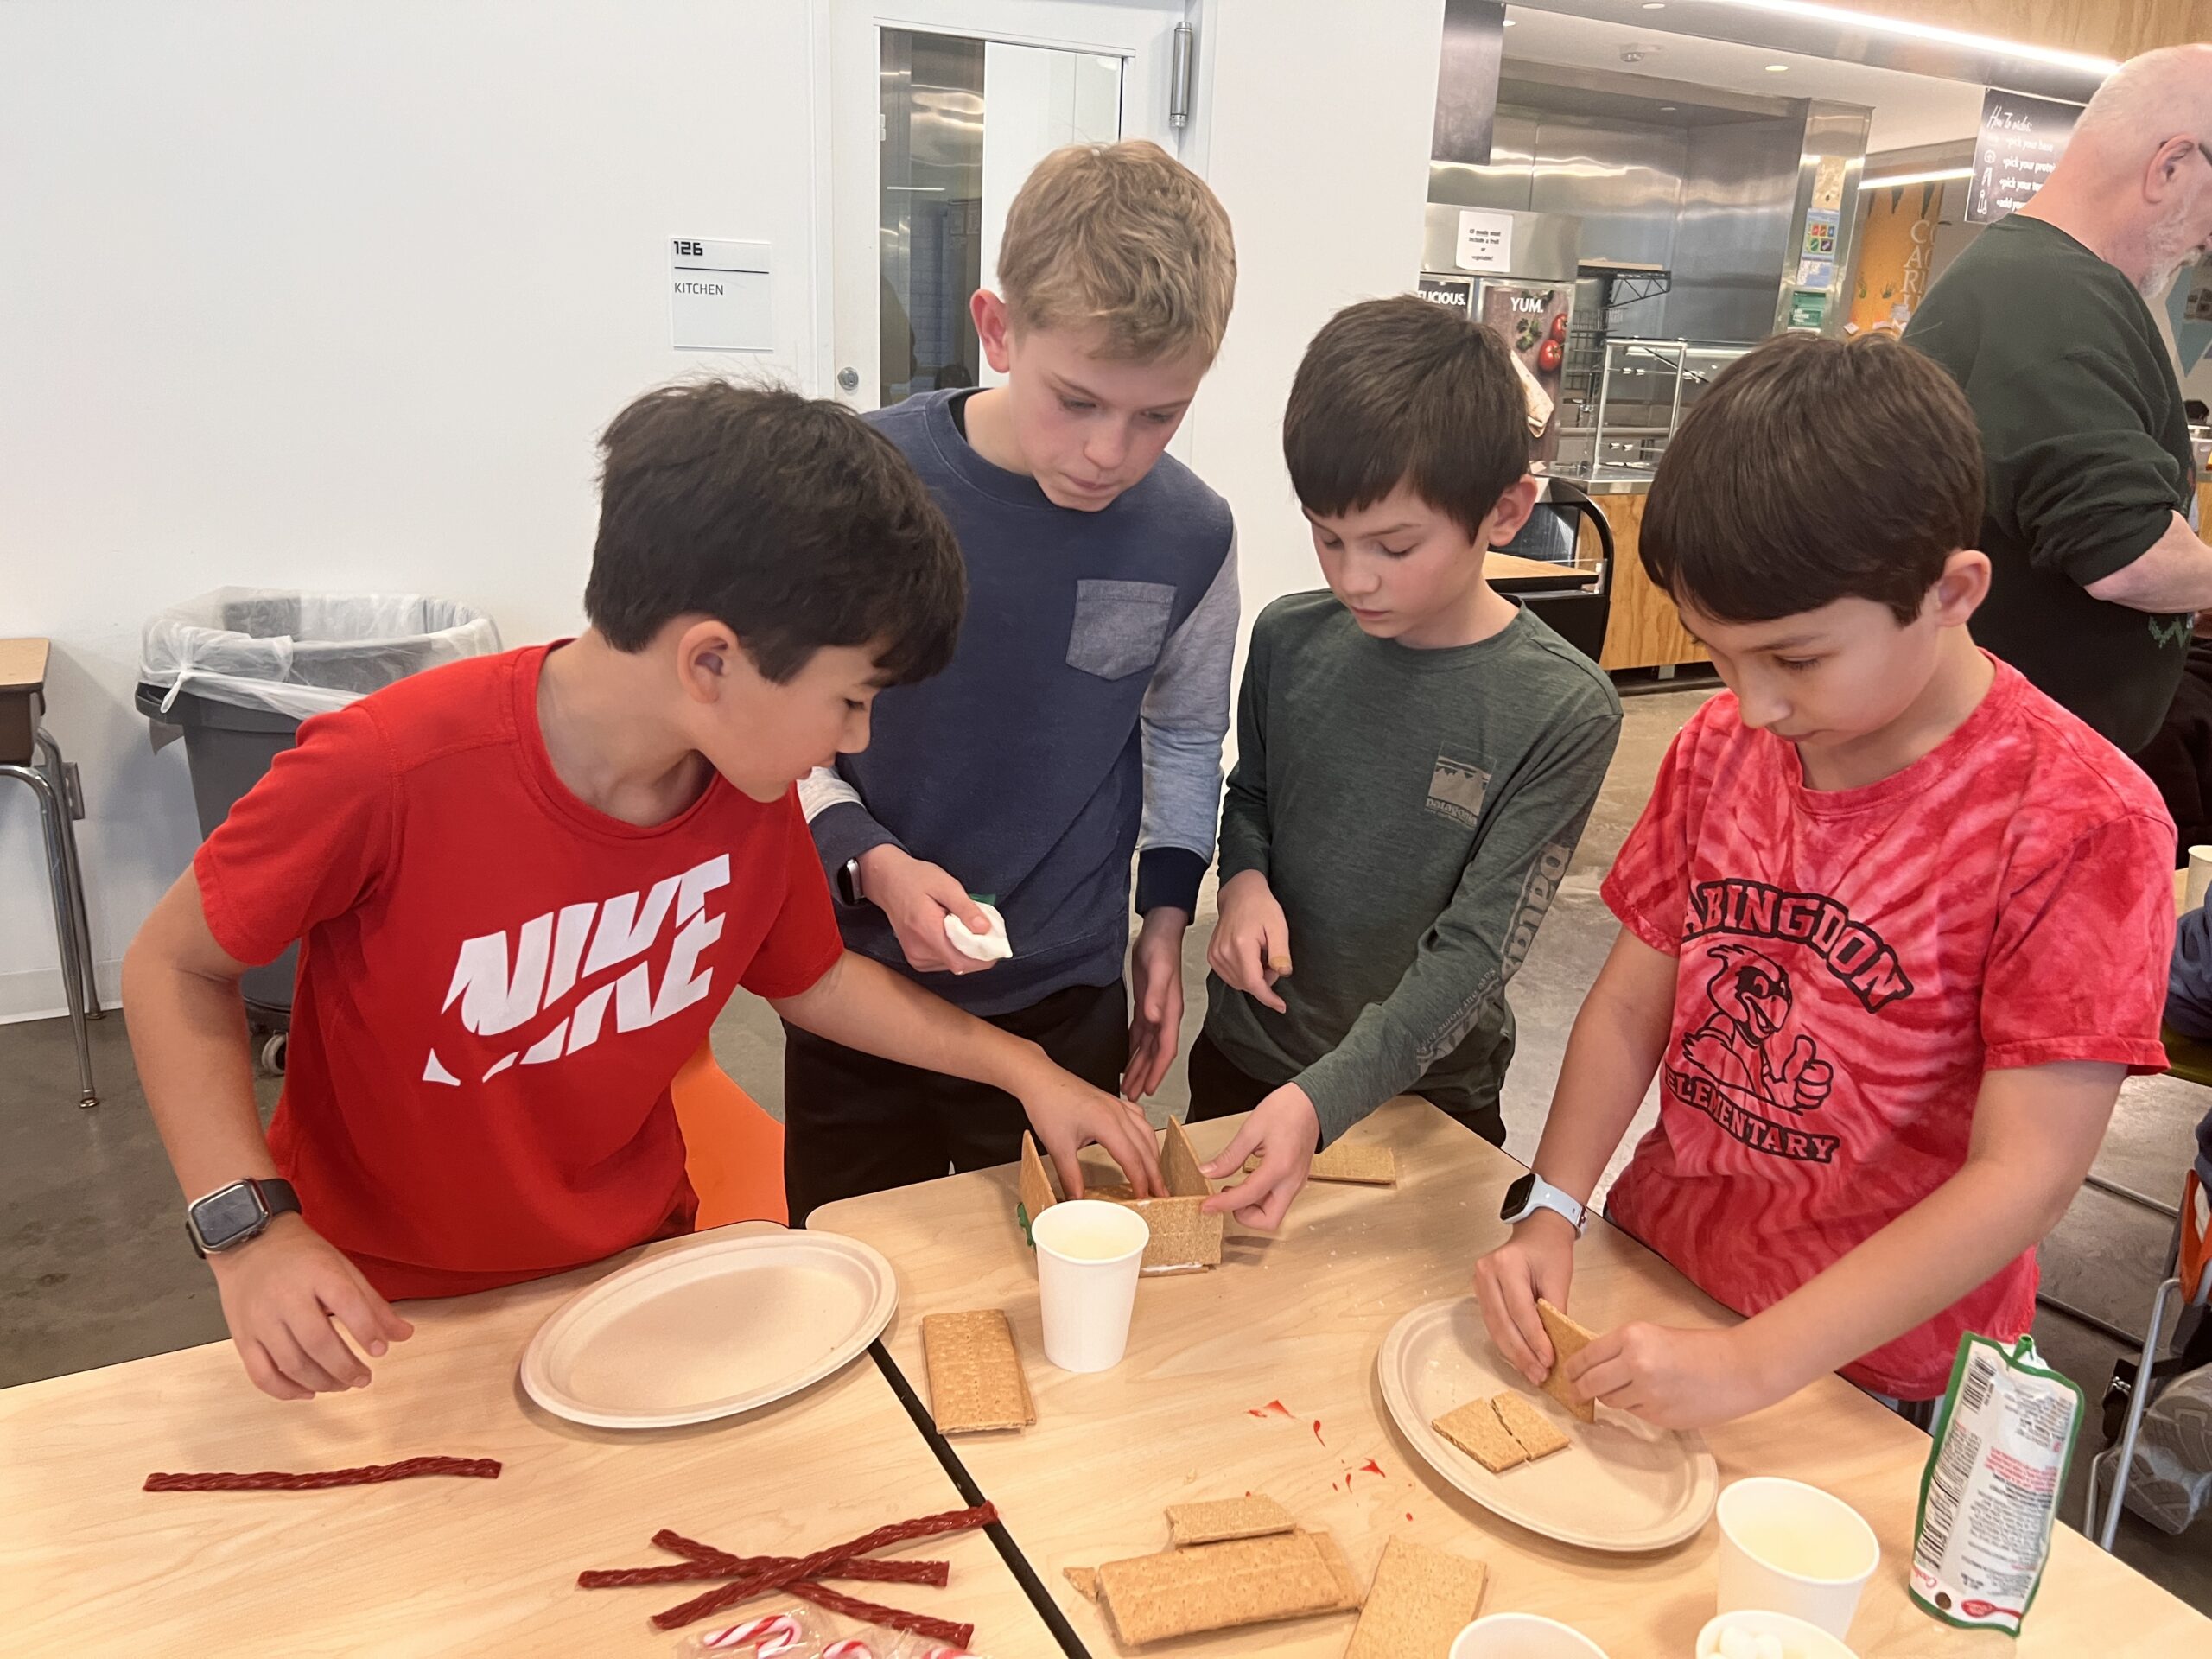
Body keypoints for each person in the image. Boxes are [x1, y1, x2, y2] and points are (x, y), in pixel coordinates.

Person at [122, 381, 1164, 1402]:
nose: (856, 740)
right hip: (381, 1315)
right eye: (849, 701)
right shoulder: (387, 770)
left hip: (633, 1278)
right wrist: (250, 1232)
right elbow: (171, 965)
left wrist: (1024, 1068)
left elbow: (813, 979)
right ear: (710, 660)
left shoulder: (744, 796)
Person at [1472, 334, 2177, 1428]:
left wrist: (1757, 1364)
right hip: (1660, 1269)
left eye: (1795, 660)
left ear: (1951, 592)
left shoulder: (2078, 820)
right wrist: (1553, 1208)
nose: (1752, 705)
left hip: (1875, 1368)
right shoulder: (1717, 749)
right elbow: (1626, 1003)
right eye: (1718, 653)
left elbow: (2022, 1176)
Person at [786, 140, 1238, 1222]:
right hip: (859, 980)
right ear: (998, 330)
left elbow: (1181, 734)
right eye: (1076, 401)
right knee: (860, 1265)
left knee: (1052, 1283)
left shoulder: (1192, 533)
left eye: (1157, 415)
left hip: (1064, 992)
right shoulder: (861, 485)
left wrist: (1165, 921)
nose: (1108, 452)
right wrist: (871, 861)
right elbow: (778, 733)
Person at [1188, 296, 1621, 1230]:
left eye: (1394, 545)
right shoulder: (1290, 639)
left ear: (1503, 511)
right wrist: (1247, 881)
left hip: (1425, 1098)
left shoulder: (1560, 708)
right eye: (1327, 536)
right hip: (1248, 1060)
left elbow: (1475, 955)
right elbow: (1252, 792)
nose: (1354, 578)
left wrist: (1324, 1099)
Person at [1904, 44, 2212, 761]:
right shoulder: (2047, 297)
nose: (2209, 236)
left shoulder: (2046, 282)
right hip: (2007, 769)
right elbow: (2126, 557)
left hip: (2035, 755)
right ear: (2170, 167)